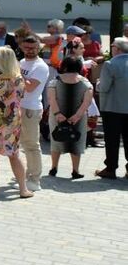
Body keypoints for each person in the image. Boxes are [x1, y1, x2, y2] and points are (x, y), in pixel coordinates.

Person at [0, 46, 30, 199]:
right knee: (14, 154)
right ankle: (23, 189)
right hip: (12, 121)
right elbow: (21, 96)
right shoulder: (19, 78)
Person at [48, 56, 94, 180]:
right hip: (78, 118)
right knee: (76, 142)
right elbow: (87, 102)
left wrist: (58, 114)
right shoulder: (85, 83)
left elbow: (52, 99)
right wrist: (77, 116)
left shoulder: (55, 81)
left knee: (56, 140)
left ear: (65, 66)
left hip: (57, 116)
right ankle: (75, 170)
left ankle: (53, 168)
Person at [17, 34, 51, 191]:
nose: (30, 50)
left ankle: (35, 179)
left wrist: (15, 73)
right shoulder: (22, 62)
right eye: (27, 47)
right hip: (18, 106)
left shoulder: (41, 66)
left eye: (33, 48)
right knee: (21, 145)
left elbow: (30, 87)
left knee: (31, 145)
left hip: (31, 108)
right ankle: (26, 174)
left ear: (39, 48)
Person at [97, 37, 128, 179]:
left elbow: (103, 88)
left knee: (112, 140)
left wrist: (97, 84)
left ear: (117, 48)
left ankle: (111, 168)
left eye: (112, 45)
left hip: (112, 108)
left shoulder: (110, 64)